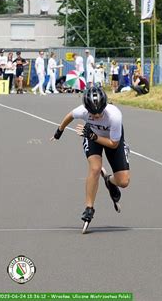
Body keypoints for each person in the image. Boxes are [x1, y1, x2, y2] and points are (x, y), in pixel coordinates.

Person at [50, 86, 130, 226]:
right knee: (95, 168)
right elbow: (69, 116)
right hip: (91, 137)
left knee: (123, 182)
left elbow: (113, 144)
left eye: (99, 113)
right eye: (93, 114)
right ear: (86, 109)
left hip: (111, 140)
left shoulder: (115, 116)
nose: (97, 116)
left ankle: (110, 181)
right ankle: (89, 207)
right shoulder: (82, 111)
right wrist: (59, 132)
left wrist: (93, 136)